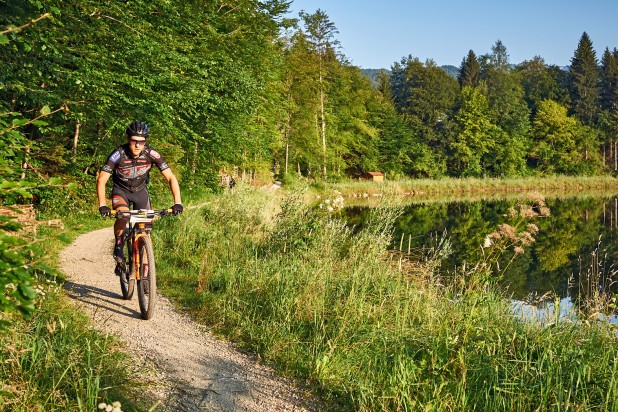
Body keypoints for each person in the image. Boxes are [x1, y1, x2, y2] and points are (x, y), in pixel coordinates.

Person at [96, 121, 183, 268]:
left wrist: (178, 202)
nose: (137, 145)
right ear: (128, 139)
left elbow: (170, 177)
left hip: (140, 192)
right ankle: (118, 245)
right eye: (134, 141)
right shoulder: (118, 154)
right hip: (121, 191)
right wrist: (102, 205)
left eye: (141, 142)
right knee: (123, 215)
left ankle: (145, 276)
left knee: (145, 230)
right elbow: (102, 179)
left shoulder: (151, 154)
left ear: (145, 142)